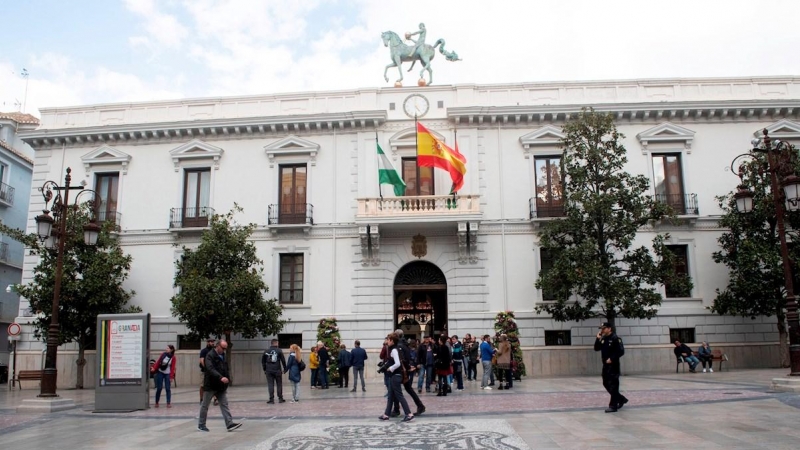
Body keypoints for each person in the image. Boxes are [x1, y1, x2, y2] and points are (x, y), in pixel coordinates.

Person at [198, 340, 242, 432]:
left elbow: (226, 368)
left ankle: (229, 423)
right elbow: (210, 369)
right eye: (223, 348)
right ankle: (201, 424)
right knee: (205, 405)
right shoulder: (210, 355)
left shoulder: (223, 355)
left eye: (225, 348)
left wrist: (227, 378)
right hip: (211, 385)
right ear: (217, 346)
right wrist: (220, 377)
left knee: (224, 404)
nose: (224, 350)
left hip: (221, 386)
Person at [378, 334, 414, 422]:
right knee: (390, 396)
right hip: (393, 376)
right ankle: (386, 414)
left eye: (388, 340)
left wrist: (390, 368)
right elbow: (392, 361)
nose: (387, 341)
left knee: (399, 396)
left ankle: (409, 414)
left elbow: (397, 363)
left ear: (392, 341)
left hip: (396, 375)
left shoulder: (394, 350)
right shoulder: (393, 349)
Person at [594, 322, 628, 413]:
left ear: (609, 329)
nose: (602, 330)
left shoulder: (615, 338)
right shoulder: (604, 339)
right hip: (605, 365)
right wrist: (597, 339)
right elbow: (596, 348)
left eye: (604, 328)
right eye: (601, 329)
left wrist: (612, 359)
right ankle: (621, 399)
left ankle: (613, 406)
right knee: (605, 383)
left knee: (613, 385)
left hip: (613, 365)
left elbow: (621, 351)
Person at [262, 339, 287, 404]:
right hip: (277, 370)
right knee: (279, 384)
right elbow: (283, 360)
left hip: (269, 370)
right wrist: (285, 368)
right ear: (276, 343)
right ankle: (280, 398)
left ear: (271, 343)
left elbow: (263, 361)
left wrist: (265, 369)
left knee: (270, 384)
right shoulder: (279, 350)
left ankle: (271, 399)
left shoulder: (266, 351)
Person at [199, 338, 218, 406]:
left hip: (213, 371)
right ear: (208, 342)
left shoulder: (214, 351)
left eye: (213, 342)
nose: (212, 343)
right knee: (202, 386)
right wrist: (207, 368)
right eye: (211, 342)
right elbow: (201, 360)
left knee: (214, 385)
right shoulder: (204, 351)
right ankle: (201, 399)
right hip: (205, 371)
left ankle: (215, 399)